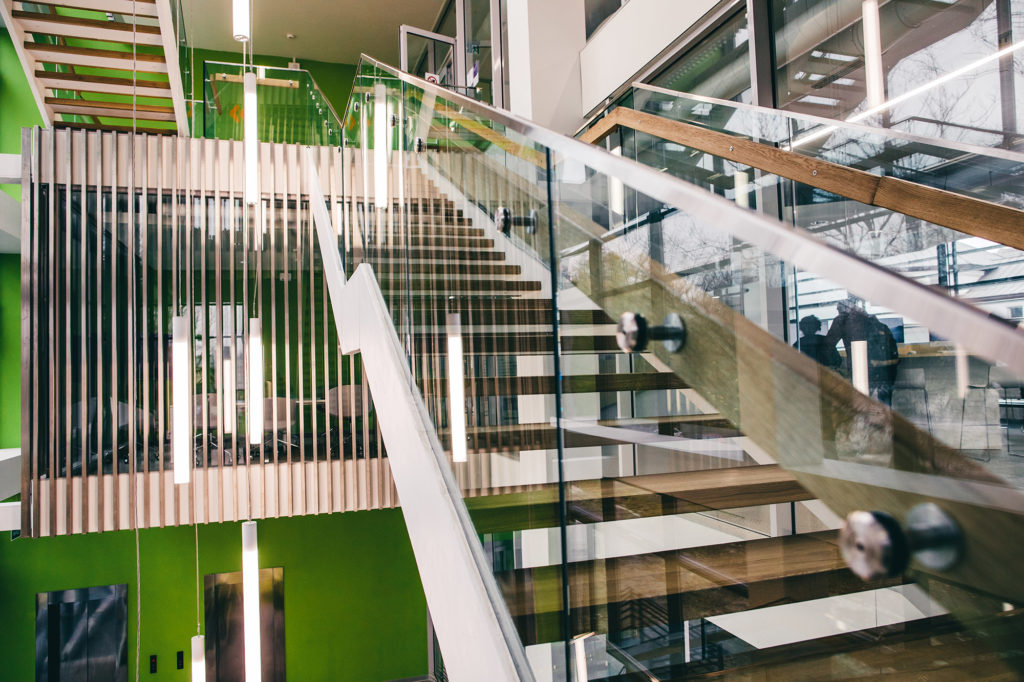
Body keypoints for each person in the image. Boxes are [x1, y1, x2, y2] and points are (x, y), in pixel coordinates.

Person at [823, 296, 900, 405]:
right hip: (886, 368)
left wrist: (836, 363)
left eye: (838, 310)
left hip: (861, 367)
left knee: (861, 404)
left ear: (843, 309)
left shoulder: (843, 319)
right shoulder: (871, 319)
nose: (838, 312)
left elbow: (828, 344)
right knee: (885, 404)